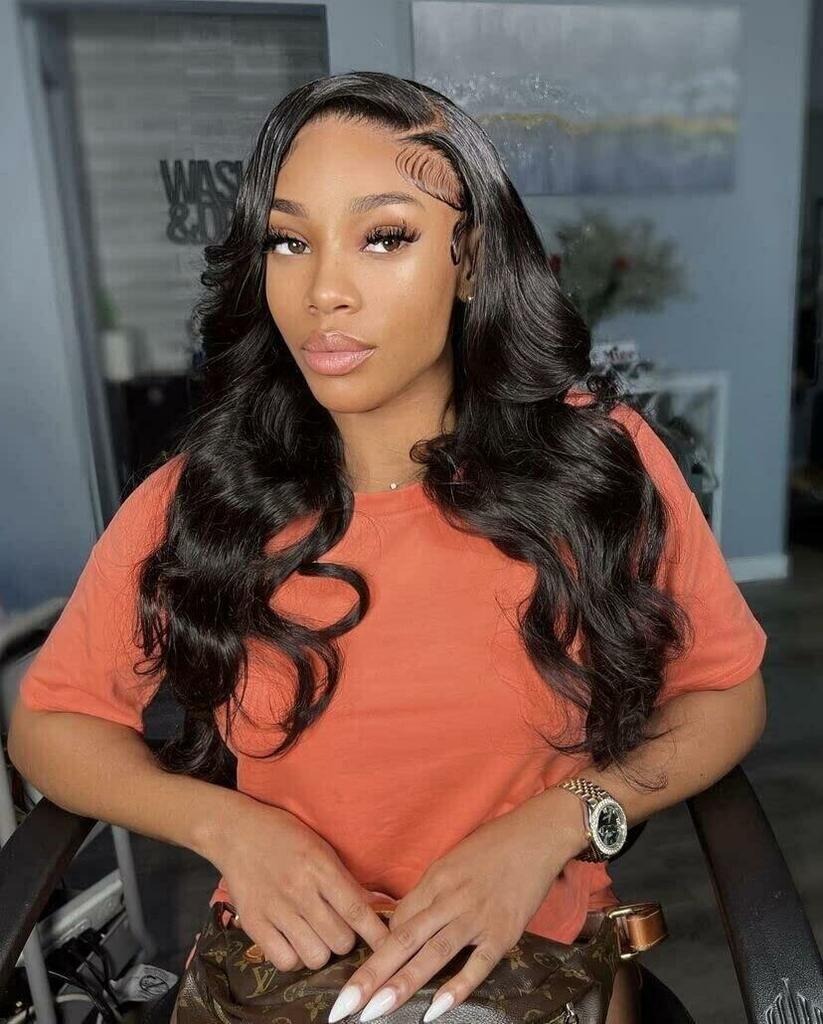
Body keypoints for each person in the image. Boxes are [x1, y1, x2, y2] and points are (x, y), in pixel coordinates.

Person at [9, 71, 767, 1024]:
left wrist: (558, 823)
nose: (324, 291)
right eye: (289, 241)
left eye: (384, 237)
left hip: (537, 967)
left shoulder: (596, 462)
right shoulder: (204, 497)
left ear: (471, 259)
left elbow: (723, 693)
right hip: (290, 978)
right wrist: (226, 827)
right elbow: (52, 724)